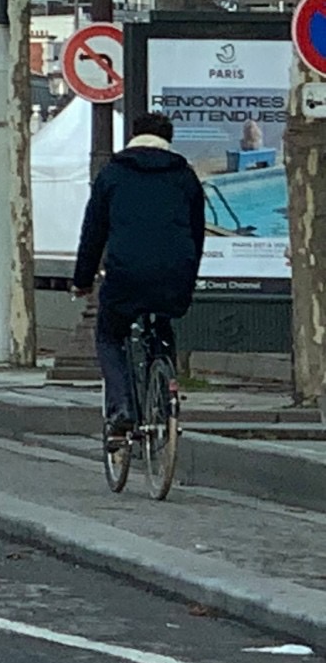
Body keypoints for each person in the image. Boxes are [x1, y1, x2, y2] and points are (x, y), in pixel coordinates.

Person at [72, 111, 206, 442]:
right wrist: (187, 273)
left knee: (109, 335)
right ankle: (164, 392)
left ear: (133, 135)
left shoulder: (113, 174)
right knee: (161, 327)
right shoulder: (185, 175)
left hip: (126, 274)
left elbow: (93, 232)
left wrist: (82, 279)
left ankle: (121, 408)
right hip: (175, 274)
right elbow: (197, 233)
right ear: (168, 139)